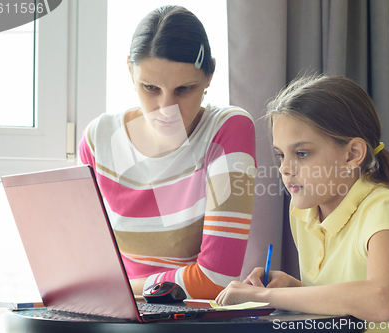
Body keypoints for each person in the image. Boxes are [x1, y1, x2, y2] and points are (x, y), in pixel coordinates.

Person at [215, 75, 389, 332]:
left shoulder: (383, 206)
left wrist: (264, 297)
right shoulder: (303, 211)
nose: (285, 169)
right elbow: (348, 300)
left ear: (352, 154)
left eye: (301, 153)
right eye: (281, 155)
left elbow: (382, 301)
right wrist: (295, 289)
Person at [78, 5, 256, 300]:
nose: (166, 108)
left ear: (209, 74)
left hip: (188, 321)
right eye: (150, 87)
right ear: (130, 71)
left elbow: (215, 279)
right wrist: (102, 290)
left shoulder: (228, 129)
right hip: (115, 313)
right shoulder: (99, 139)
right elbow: (84, 268)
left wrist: (114, 289)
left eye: (184, 89)